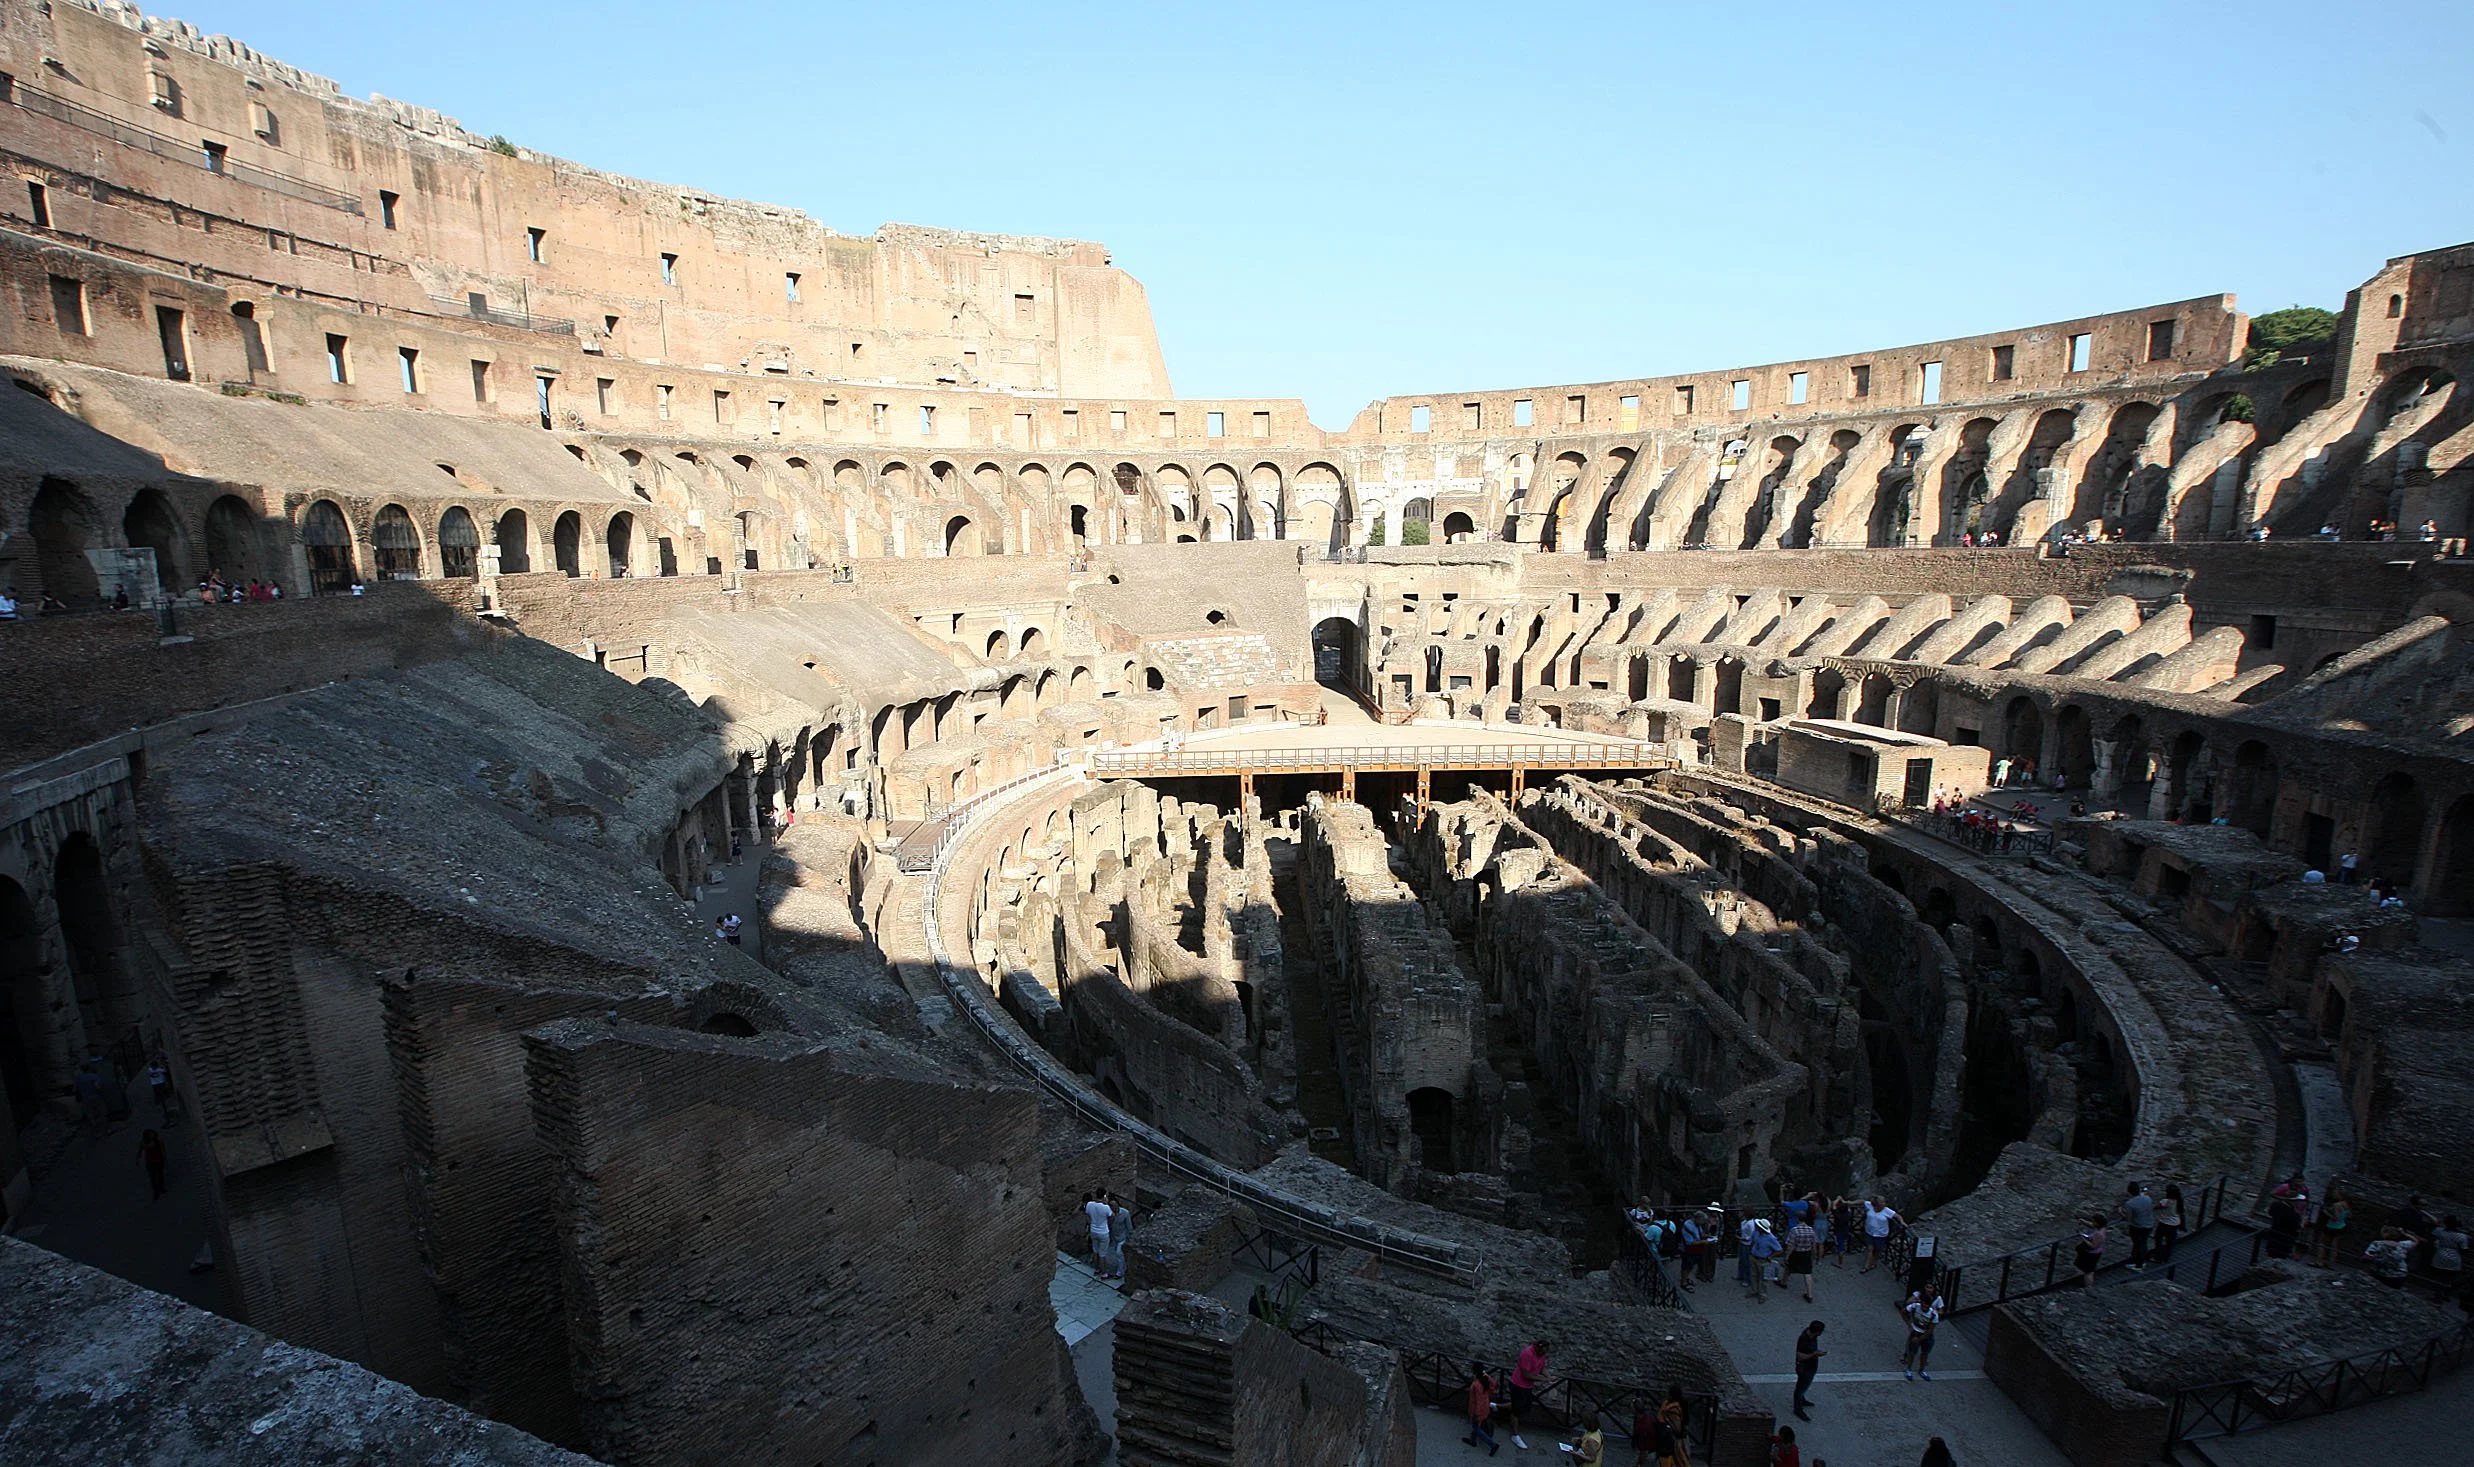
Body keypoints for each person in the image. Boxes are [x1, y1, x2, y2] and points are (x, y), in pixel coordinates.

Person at [1507, 1340, 1550, 1451]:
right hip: (1518, 1385)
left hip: (1527, 1387)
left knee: (1522, 1406)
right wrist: (1544, 1379)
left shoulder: (1541, 1353)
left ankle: (1496, 1407)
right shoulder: (1527, 1354)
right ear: (1537, 1348)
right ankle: (1515, 1436)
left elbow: (1542, 1367)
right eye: (1542, 1352)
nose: (1543, 1354)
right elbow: (1526, 1375)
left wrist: (1549, 1377)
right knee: (1516, 1411)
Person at [1901, 1288, 1943, 1381]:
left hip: (1924, 1334)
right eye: (1923, 1304)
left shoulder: (1933, 1314)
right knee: (1912, 1353)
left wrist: (1918, 1338)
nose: (1924, 1307)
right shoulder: (1915, 1306)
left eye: (1926, 1305)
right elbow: (1904, 1312)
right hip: (1917, 1332)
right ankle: (1910, 1369)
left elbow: (1930, 1331)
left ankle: (1921, 1369)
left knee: (1924, 1353)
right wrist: (1909, 1325)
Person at [1791, 1320, 1825, 1421]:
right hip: (1804, 1368)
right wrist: (1814, 1354)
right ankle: (1798, 1408)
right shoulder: (1804, 1340)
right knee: (1800, 1388)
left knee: (1804, 1386)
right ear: (1817, 1331)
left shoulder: (1812, 1336)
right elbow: (1800, 1356)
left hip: (1810, 1366)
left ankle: (1802, 1399)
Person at [1464, 1363, 1500, 1455]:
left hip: (1477, 1409)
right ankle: (1472, 1440)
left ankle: (1493, 1445)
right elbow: (1493, 1385)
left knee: (1476, 1427)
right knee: (1477, 1426)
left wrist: (1476, 1414)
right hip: (1485, 1406)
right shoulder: (1486, 1379)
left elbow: (1478, 1401)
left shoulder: (1477, 1384)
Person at [1785, 1211, 1820, 1302]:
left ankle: (1783, 1282)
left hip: (1796, 1253)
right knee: (1807, 1273)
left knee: (1789, 1267)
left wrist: (1787, 1256)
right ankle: (1810, 1294)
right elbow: (1814, 1244)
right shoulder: (1811, 1230)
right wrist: (1814, 1254)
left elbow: (1791, 1245)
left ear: (1797, 1218)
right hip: (1806, 1253)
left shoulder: (1794, 1230)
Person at [1747, 1218, 1783, 1302]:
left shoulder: (1771, 1238)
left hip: (1763, 1259)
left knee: (1763, 1279)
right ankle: (1754, 1290)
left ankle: (1762, 1294)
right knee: (1753, 1275)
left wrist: (1770, 1256)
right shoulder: (1756, 1233)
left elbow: (1779, 1250)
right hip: (1754, 1257)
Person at [2122, 1182, 2156, 1270]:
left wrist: (2120, 1212)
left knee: (2138, 1245)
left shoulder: (2130, 1204)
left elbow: (2128, 1218)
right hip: (2149, 1224)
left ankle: (2139, 1264)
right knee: (2143, 1243)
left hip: (2138, 1227)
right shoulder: (2147, 1198)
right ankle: (2139, 1260)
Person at [2313, 1187, 2350, 1269]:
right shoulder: (2346, 1204)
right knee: (2334, 1246)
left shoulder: (2336, 1205)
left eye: (2336, 1193)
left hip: (2332, 1227)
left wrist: (2325, 1212)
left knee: (2322, 1243)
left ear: (2340, 1195)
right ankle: (2331, 1264)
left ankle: (2319, 1262)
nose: (2334, 1194)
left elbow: (2335, 1218)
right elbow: (2347, 1215)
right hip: (2341, 1227)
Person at [1861, 1199, 1900, 1273]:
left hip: (1880, 1234)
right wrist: (1848, 1202)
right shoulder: (1870, 1206)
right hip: (1870, 1232)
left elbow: (1897, 1216)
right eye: (1881, 1202)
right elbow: (1862, 1201)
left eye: (1884, 1202)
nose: (1883, 1204)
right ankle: (1866, 1266)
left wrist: (1902, 1222)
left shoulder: (1887, 1210)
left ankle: (1874, 1262)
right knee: (1870, 1249)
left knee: (1878, 1250)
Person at [1081, 1191, 1114, 1278]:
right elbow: (1112, 1216)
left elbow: (1087, 1215)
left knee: (1095, 1251)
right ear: (1104, 1196)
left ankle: (1097, 1269)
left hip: (1093, 1231)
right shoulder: (1106, 1207)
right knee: (1102, 1254)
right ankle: (1104, 1273)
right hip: (1103, 1232)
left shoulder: (1089, 1204)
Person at [2428, 1214, 2465, 1288]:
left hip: (2440, 1254)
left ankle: (2437, 1292)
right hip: (2454, 1257)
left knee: (2438, 1276)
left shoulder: (2439, 1231)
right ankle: (2444, 1293)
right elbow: (2464, 1249)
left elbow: (2431, 1239)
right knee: (2449, 1277)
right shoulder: (2462, 1236)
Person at [2153, 1183, 2184, 1264]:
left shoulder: (2165, 1201)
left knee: (2158, 1239)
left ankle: (2158, 1257)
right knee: (2170, 1241)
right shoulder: (2179, 1201)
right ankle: (2166, 1258)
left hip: (2165, 1223)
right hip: (2175, 1223)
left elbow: (2156, 1207)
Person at [2074, 1212, 2108, 1286]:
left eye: (2093, 1221)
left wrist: (2083, 1237)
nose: (2092, 1222)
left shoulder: (2099, 1234)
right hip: (2093, 1253)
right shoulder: (2101, 1228)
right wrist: (2083, 1221)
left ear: (2097, 1223)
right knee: (2086, 1269)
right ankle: (2083, 1282)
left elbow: (2093, 1246)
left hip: (2091, 1254)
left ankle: (2088, 1286)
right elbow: (2092, 1225)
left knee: (2088, 1272)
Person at [138, 1128, 169, 1200]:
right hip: (151, 1162)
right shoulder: (145, 1142)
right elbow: (140, 1150)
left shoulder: (158, 1140)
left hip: (158, 1160)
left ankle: (161, 1188)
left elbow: (162, 1149)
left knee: (160, 1175)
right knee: (153, 1177)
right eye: (149, 1134)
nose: (151, 1135)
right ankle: (157, 1190)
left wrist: (164, 1158)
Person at [1109, 1193, 1134, 1279]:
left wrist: (1129, 1237)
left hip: (1123, 1237)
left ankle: (1119, 1273)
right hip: (1114, 1238)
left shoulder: (1125, 1213)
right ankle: (1125, 1266)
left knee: (1119, 1253)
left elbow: (1129, 1226)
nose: (1115, 1208)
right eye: (1112, 1206)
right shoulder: (1109, 1214)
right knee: (1119, 1253)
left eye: (1116, 1206)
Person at [147, 1049, 175, 1122]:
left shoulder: (149, 1070)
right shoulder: (159, 1070)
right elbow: (164, 1070)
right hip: (161, 1084)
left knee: (159, 1097)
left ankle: (163, 1108)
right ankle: (166, 1111)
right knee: (164, 1096)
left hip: (155, 1085)